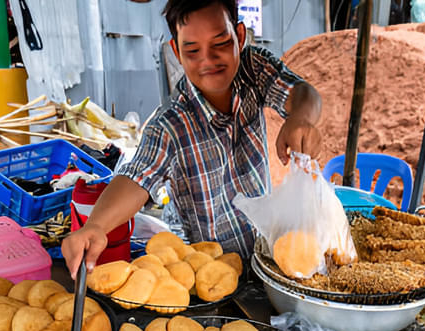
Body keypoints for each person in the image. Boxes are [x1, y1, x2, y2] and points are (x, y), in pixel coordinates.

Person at [62, 0, 322, 277]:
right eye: (193, 50)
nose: (208, 61)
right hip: (206, 274)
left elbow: (302, 92)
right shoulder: (171, 124)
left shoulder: (252, 69)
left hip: (263, 256)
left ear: (240, 36)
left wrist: (300, 118)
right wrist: (96, 226)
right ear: (176, 51)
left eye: (220, 43)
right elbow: (135, 178)